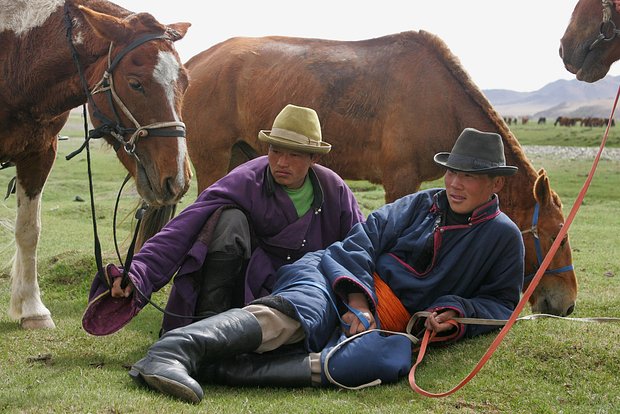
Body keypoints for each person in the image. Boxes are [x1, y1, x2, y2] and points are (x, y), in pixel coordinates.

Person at [127, 128, 525, 403]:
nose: (455, 183)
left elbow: (500, 305)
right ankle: (174, 351)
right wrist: (358, 301)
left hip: (393, 322)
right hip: (332, 275)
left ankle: (218, 369)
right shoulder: (422, 204)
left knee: (388, 360)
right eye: (452, 171)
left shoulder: (504, 237)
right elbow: (360, 241)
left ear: (496, 184)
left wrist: (456, 311)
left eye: (469, 176)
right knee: (300, 313)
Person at [82, 104, 364, 336]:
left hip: (308, 287)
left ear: (314, 157)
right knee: (227, 218)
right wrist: (138, 272)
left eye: (293, 154)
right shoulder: (246, 179)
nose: (280, 162)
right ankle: (209, 321)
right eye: (275, 150)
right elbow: (183, 227)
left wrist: (358, 300)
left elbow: (360, 245)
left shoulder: (334, 190)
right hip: (248, 287)